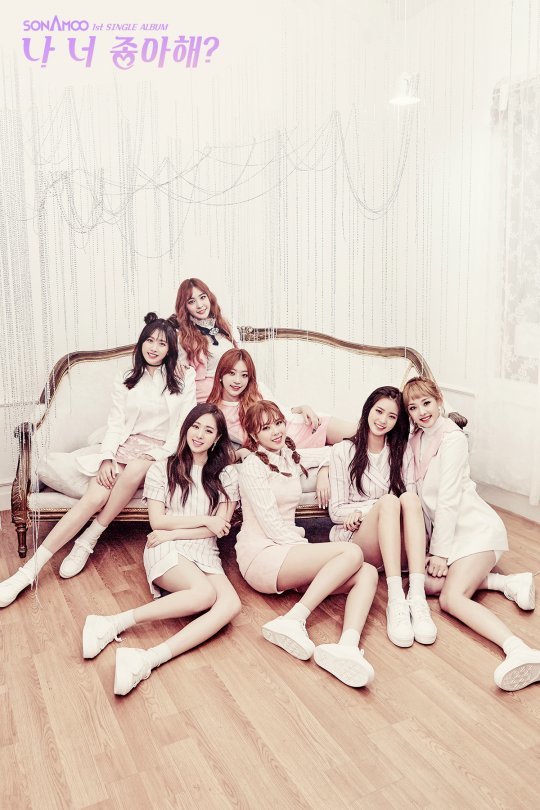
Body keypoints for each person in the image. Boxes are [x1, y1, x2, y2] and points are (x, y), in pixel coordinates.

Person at [0, 313, 196, 608]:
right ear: (141, 343)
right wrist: (106, 457)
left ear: (171, 348)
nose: (154, 348)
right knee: (93, 498)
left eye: (162, 343)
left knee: (137, 468)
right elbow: (116, 424)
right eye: (150, 341)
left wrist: (156, 453)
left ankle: (89, 538)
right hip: (127, 445)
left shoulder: (183, 377)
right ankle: (26, 574)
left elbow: (184, 424)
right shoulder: (127, 378)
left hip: (164, 451)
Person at [82, 403, 241, 695]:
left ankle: (148, 658)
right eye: (195, 426)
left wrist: (177, 531)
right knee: (204, 594)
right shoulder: (163, 467)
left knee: (231, 605)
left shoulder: (227, 474)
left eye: (208, 430)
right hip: (165, 546)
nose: (199, 435)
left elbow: (220, 527)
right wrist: (203, 522)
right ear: (186, 428)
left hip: (202, 550)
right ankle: (111, 623)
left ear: (217, 438)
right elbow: (158, 522)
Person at [403, 376, 539, 691]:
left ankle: (518, 649)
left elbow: (448, 500)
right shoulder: (416, 441)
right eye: (413, 407)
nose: (422, 412)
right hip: (454, 537)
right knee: (421, 583)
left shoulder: (452, 438)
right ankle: (507, 582)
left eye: (426, 402)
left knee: (450, 598)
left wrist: (439, 554)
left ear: (439, 400)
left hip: (477, 531)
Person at [235, 400, 378, 688]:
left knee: (368, 572)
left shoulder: (288, 455)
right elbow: (270, 524)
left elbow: (333, 451)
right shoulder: (252, 467)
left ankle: (347, 647)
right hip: (263, 554)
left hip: (288, 551)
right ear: (252, 435)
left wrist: (324, 471)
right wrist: (306, 550)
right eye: (266, 428)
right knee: (352, 552)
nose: (276, 431)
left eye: (279, 423)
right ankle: (294, 618)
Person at [328, 386, 437, 648]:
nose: (382, 420)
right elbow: (336, 510)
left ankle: (417, 596)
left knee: (409, 499)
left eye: (391, 416)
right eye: (379, 411)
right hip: (361, 540)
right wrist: (367, 511)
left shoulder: (402, 451)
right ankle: (396, 599)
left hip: (397, 544)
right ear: (368, 409)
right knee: (390, 501)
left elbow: (410, 504)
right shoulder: (343, 451)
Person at [207, 347, 356, 453]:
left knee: (364, 437)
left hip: (308, 426)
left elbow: (281, 411)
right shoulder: (215, 413)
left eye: (244, 375)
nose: (237, 381)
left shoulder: (258, 389)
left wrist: (302, 408)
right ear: (220, 375)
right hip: (287, 446)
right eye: (232, 373)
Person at [172, 277, 240, 403]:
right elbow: (182, 375)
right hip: (207, 398)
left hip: (235, 391)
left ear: (209, 297)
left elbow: (242, 361)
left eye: (202, 297)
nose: (200, 305)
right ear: (185, 307)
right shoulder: (183, 337)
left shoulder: (227, 325)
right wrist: (174, 363)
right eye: (191, 301)